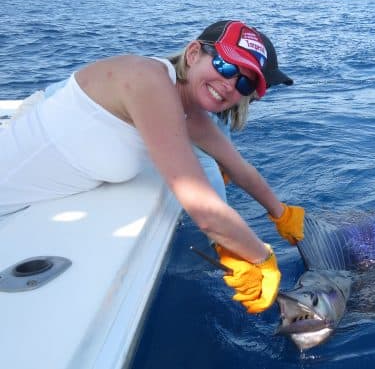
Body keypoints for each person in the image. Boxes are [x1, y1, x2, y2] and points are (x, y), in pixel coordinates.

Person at [0, 20, 303, 314]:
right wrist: (262, 258)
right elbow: (205, 210)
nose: (230, 84)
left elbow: (238, 168)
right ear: (194, 53)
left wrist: (281, 213)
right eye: (225, 66)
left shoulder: (187, 109)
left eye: (245, 82)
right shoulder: (148, 80)